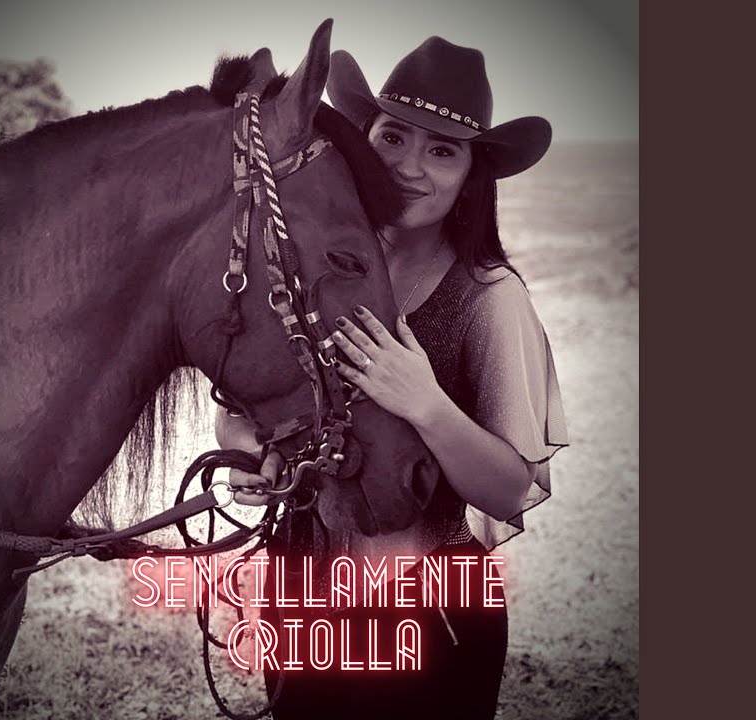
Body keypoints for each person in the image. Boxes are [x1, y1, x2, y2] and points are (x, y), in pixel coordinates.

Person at [216, 36, 569, 717]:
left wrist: (425, 403)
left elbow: (509, 490)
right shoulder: (309, 270)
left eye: (443, 151)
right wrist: (252, 454)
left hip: (433, 612)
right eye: (394, 137)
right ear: (364, 141)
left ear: (471, 175)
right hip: (303, 590)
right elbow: (239, 412)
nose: (410, 166)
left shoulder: (489, 299)